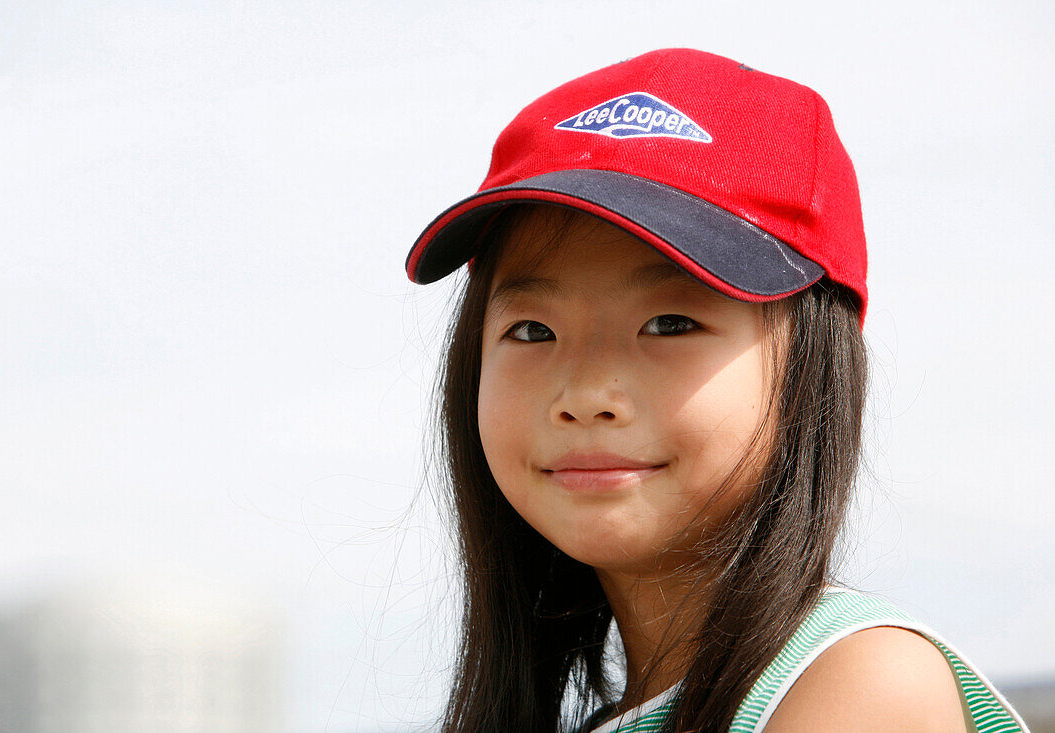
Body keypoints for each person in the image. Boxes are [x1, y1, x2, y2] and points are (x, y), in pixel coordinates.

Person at [403, 49, 1029, 733]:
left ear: (810, 365)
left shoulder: (858, 686)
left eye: (669, 323)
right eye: (530, 331)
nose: (584, 392)